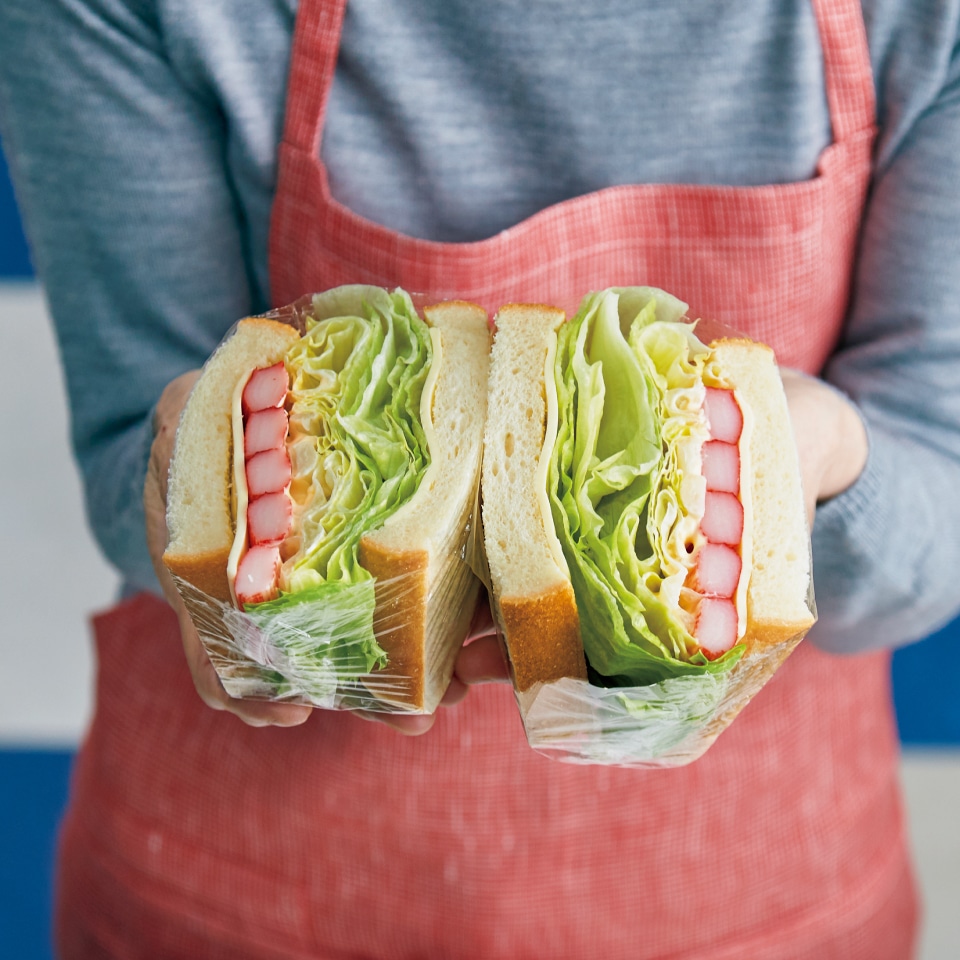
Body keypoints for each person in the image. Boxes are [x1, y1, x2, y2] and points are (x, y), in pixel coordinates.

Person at [2, 0, 959, 956]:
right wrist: (186, 489)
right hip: (235, 894)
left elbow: (938, 497)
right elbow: (126, 455)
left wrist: (818, 460)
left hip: (762, 901)